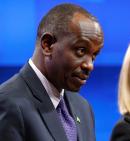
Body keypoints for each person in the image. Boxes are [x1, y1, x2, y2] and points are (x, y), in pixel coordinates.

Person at [0, 3, 103, 141]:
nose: (89, 65)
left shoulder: (83, 108)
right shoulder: (8, 103)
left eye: (93, 56)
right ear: (47, 45)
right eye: (81, 50)